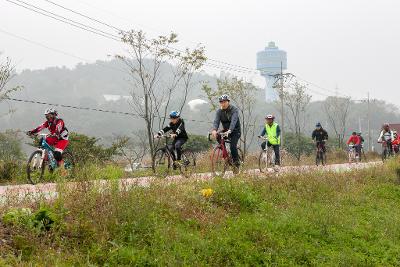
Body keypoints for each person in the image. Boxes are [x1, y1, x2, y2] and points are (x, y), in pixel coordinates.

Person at [211, 94, 241, 167]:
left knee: (232, 147)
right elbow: (216, 121)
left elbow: (234, 121)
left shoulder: (234, 110)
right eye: (221, 102)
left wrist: (230, 130)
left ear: (228, 102)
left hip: (235, 131)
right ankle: (226, 156)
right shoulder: (219, 112)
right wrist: (214, 130)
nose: (223, 104)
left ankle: (237, 163)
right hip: (226, 130)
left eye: (224, 102)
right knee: (218, 136)